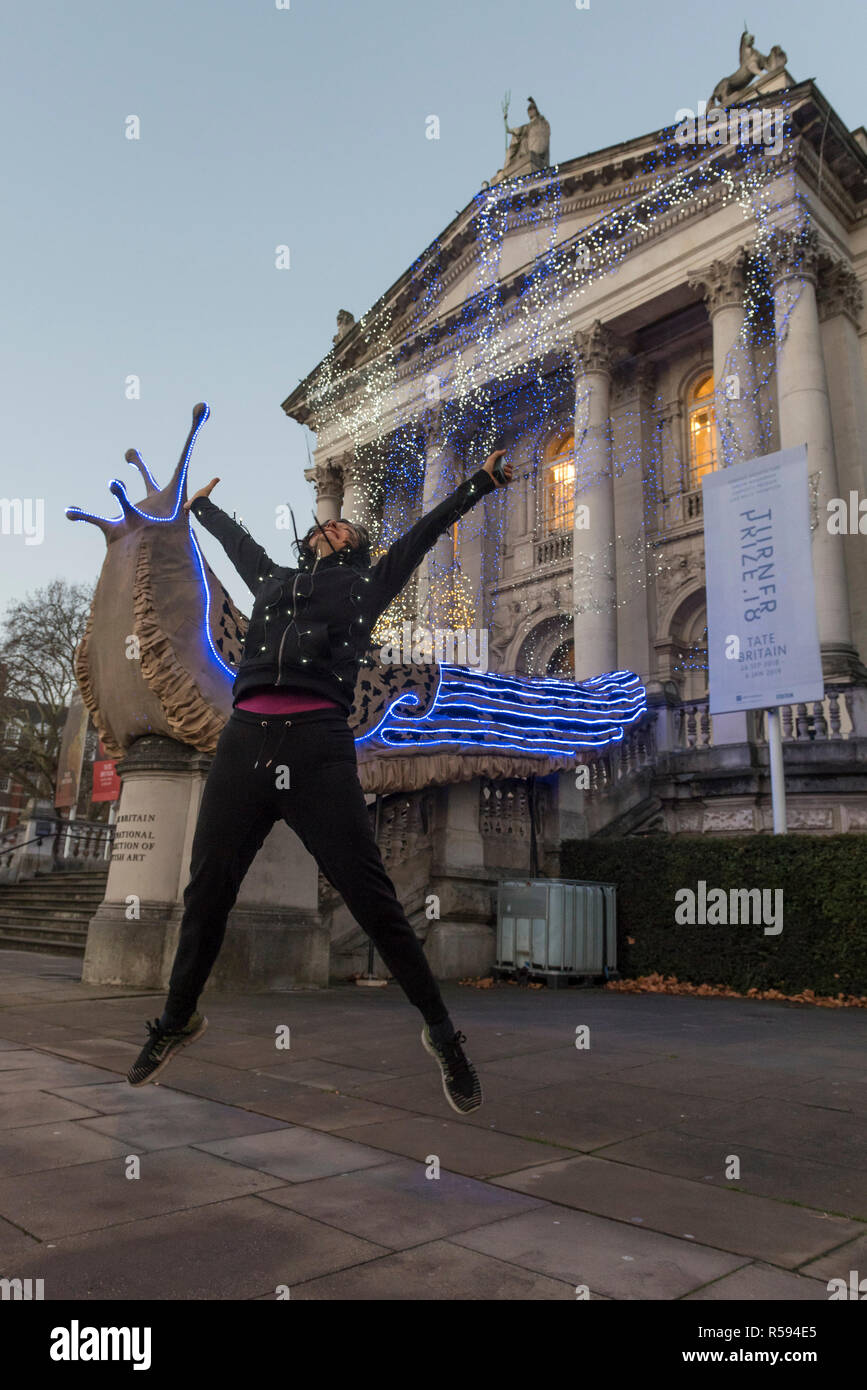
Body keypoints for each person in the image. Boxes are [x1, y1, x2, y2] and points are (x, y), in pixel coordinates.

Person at [127, 447, 512, 1113]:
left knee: (372, 899)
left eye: (347, 532)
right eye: (327, 527)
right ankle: (176, 1021)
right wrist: (203, 508)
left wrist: (477, 482)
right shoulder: (273, 581)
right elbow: (236, 544)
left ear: (359, 552)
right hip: (244, 740)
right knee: (207, 890)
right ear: (308, 541)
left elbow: (421, 534)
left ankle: (443, 1036)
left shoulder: (366, 585)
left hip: (318, 747)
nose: (333, 530)